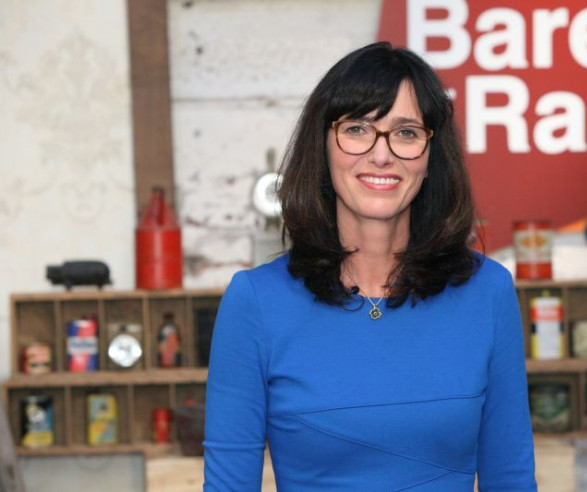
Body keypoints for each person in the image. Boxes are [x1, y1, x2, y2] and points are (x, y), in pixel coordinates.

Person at [203, 41, 537, 491]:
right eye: (358, 128)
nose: (381, 155)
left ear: (431, 157)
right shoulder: (256, 302)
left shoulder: (488, 292)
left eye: (406, 133)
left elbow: (511, 479)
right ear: (323, 146)